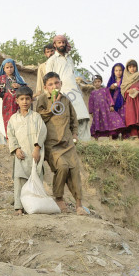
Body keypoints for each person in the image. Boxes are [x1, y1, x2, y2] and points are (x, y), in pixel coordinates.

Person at [36, 72, 87, 215]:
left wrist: (75, 134)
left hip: (68, 142)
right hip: (52, 144)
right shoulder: (42, 99)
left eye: (57, 83)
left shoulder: (66, 100)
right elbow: (39, 118)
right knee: (62, 167)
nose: (54, 86)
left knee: (75, 170)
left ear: (61, 84)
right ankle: (58, 198)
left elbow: (73, 119)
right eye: (50, 84)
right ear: (46, 87)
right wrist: (52, 106)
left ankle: (79, 204)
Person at [7, 86, 47, 215]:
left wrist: (37, 148)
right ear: (17, 101)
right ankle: (19, 207)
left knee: (36, 180)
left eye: (27, 99)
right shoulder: (13, 119)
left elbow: (42, 132)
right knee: (19, 180)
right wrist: (16, 149)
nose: (25, 102)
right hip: (21, 155)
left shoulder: (36, 117)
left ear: (31, 100)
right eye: (22, 99)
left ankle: (35, 206)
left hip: (34, 154)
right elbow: (11, 135)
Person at [45, 35, 91, 141]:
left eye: (63, 42)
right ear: (55, 45)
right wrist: (54, 96)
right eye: (59, 43)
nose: (61, 44)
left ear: (66, 44)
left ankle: (85, 142)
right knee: (67, 119)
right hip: (62, 93)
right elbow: (48, 80)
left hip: (75, 90)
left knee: (83, 116)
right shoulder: (52, 60)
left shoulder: (70, 58)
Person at [0, 58, 27, 143]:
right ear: (3, 68)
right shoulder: (1, 79)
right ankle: (6, 142)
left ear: (14, 67)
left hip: (17, 106)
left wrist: (19, 86)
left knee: (18, 123)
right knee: (4, 126)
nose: (9, 69)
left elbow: (26, 91)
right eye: (7, 67)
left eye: (11, 67)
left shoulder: (19, 78)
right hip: (4, 106)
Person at [88, 75, 125, 139]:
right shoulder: (92, 93)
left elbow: (109, 98)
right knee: (97, 124)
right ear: (93, 83)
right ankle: (96, 138)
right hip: (97, 112)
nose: (97, 83)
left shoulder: (105, 90)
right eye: (95, 82)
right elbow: (91, 102)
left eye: (99, 81)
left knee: (109, 122)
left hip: (106, 110)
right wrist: (91, 111)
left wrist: (111, 105)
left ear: (101, 82)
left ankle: (110, 137)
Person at [121, 59, 139, 140]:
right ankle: (134, 134)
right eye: (130, 67)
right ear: (127, 68)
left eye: (134, 67)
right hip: (131, 100)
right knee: (132, 116)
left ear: (137, 67)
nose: (132, 69)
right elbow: (123, 89)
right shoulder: (125, 78)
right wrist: (128, 91)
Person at [107, 63, 126, 138]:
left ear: (123, 71)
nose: (118, 72)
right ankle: (114, 138)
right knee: (114, 121)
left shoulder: (125, 81)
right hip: (113, 104)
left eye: (120, 70)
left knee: (123, 119)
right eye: (116, 70)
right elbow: (106, 93)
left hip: (123, 103)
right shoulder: (111, 81)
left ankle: (125, 138)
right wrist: (110, 88)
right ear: (113, 72)